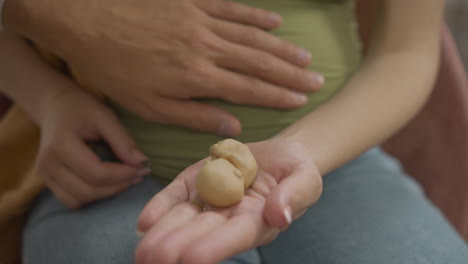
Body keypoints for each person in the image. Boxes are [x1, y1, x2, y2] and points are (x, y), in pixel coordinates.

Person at [0, 0, 467, 264]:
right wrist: (49, 98)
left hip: (338, 161)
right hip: (113, 173)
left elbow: (405, 52)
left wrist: (301, 150)